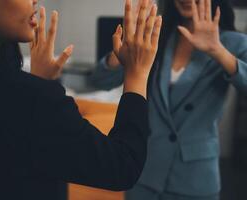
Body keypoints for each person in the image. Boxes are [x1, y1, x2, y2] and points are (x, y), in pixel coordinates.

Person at [0, 0, 163, 199]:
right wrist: (137, 73)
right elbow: (121, 166)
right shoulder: (33, 100)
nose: (35, 0)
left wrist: (37, 84)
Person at [90, 0, 247, 199]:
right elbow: (99, 80)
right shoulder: (158, 36)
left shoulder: (234, 43)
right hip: (145, 170)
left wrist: (218, 51)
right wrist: (123, 50)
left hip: (194, 177)